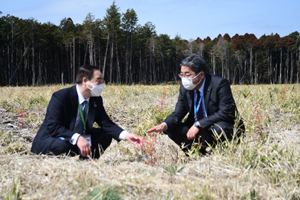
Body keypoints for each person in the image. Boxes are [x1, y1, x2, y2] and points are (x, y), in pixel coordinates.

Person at [31, 65, 143, 159]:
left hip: (78, 140)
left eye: (102, 82)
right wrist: (77, 137)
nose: (101, 85)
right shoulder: (61, 97)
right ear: (85, 81)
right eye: (98, 81)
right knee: (62, 146)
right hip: (54, 139)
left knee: (105, 135)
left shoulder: (96, 99)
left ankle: (87, 163)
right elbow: (53, 126)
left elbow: (106, 123)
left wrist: (126, 135)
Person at [147, 54, 244, 154]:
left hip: (217, 125)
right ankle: (198, 155)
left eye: (188, 75)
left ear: (201, 75)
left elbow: (226, 112)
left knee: (219, 129)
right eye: (182, 74)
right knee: (171, 128)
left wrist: (199, 124)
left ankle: (222, 154)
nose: (184, 78)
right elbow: (178, 114)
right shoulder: (185, 89)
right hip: (196, 130)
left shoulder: (219, 84)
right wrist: (164, 124)